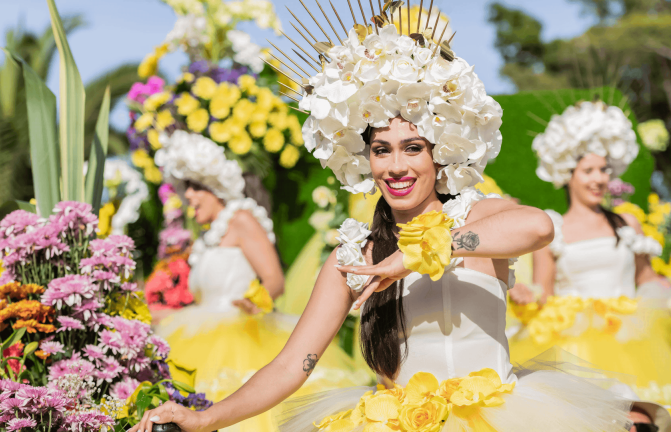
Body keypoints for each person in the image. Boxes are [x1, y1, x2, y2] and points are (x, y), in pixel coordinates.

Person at [132, 9, 632, 431]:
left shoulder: (479, 214)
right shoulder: (355, 258)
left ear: (439, 156)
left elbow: (538, 228)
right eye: (381, 150)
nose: (397, 166)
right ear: (365, 159)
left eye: (413, 148)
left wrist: (420, 253)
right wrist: (205, 420)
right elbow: (290, 365)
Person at [152, 131, 371, 432]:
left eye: (195, 187)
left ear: (214, 187)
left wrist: (254, 300)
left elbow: (274, 280)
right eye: (185, 187)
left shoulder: (242, 220)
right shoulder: (206, 239)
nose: (188, 195)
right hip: (199, 337)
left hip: (245, 333)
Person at [508, 100, 671, 404]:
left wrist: (662, 291)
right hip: (574, 342)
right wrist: (527, 293)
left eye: (603, 170)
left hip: (631, 337)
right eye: (589, 171)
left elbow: (646, 276)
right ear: (568, 175)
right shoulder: (552, 229)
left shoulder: (627, 223)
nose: (598, 179)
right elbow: (545, 288)